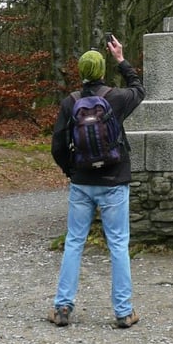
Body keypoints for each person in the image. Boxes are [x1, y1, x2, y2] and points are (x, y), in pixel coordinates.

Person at [49, 36, 145, 328]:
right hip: (114, 181)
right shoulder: (116, 98)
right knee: (117, 244)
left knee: (74, 243)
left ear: (80, 72)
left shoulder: (71, 102)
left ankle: (62, 308)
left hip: (82, 184)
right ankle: (124, 312)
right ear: (102, 70)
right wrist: (122, 60)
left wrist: (72, 172)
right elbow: (139, 89)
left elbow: (57, 146)